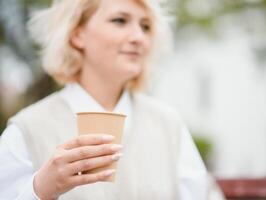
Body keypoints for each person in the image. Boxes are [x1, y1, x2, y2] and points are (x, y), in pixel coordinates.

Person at [0, 0, 208, 199]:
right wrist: (39, 191)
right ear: (77, 34)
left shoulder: (169, 125)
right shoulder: (27, 130)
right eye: (120, 20)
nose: (139, 37)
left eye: (145, 26)